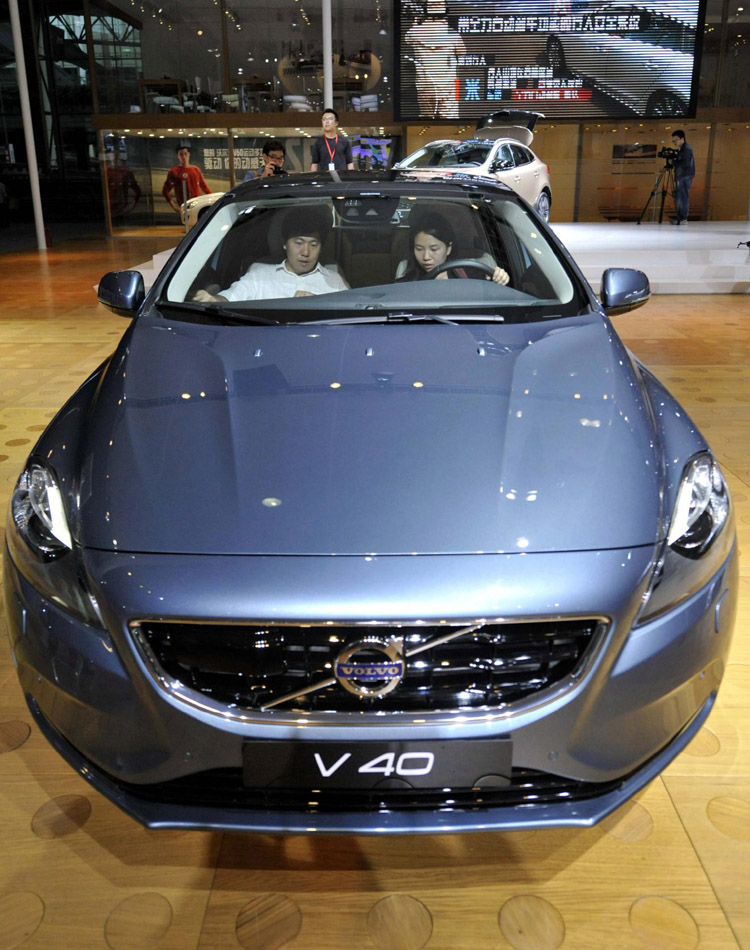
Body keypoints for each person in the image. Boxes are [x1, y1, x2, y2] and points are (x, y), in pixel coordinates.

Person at [192, 208, 349, 302]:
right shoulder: (260, 275)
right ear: (284, 243)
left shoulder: (334, 280)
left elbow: (351, 315)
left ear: (321, 247)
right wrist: (212, 299)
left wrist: (318, 303)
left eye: (313, 244)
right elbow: (229, 298)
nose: (306, 252)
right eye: (298, 243)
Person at [396, 213, 510, 284]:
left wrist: (500, 276)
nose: (426, 257)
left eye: (434, 249)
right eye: (419, 249)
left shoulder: (471, 274)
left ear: (448, 249)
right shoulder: (405, 283)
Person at [404, 0, 466, 119]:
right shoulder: (453, 35)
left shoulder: (414, 33)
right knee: (450, 123)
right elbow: (462, 53)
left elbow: (408, 39)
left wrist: (417, 25)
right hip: (448, 88)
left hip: (425, 87)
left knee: (426, 122)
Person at [162, 145, 211, 215]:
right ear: (178, 156)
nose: (184, 157)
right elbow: (165, 191)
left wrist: (213, 198)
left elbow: (204, 186)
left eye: (185, 154)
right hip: (185, 207)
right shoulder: (174, 172)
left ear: (189, 154)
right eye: (181, 154)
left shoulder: (196, 170)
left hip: (197, 206)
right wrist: (175, 207)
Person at [670, 130, 694, 226]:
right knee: (680, 196)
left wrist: (674, 162)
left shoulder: (686, 149)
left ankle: (683, 218)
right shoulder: (683, 148)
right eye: (673, 141)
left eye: (676, 140)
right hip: (683, 175)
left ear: (682, 139)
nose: (675, 142)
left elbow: (685, 163)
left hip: (685, 176)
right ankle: (680, 217)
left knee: (683, 197)